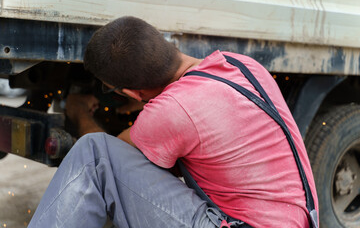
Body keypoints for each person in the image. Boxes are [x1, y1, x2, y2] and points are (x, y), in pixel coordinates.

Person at [29, 16, 318, 228]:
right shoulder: (241, 64)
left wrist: (79, 112)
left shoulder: (172, 110)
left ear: (132, 93)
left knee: (94, 153)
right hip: (300, 220)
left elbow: (114, 163)